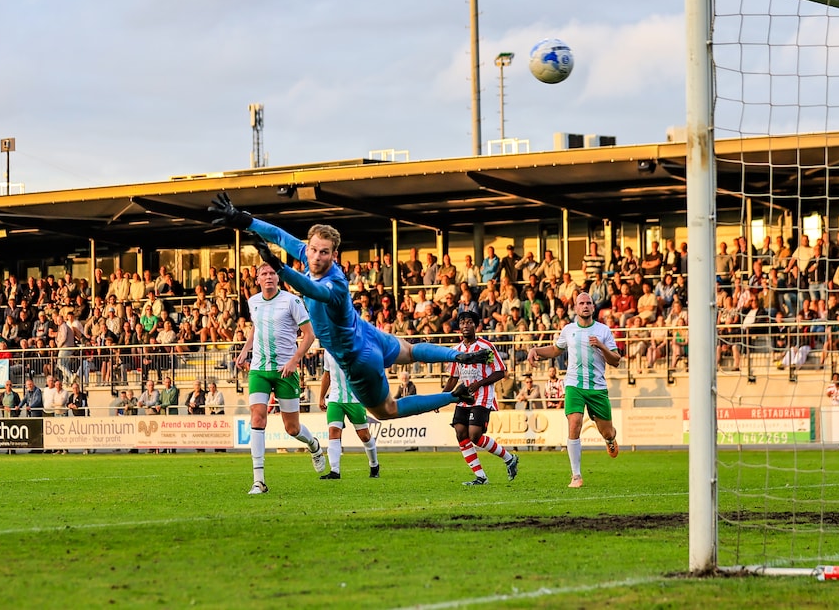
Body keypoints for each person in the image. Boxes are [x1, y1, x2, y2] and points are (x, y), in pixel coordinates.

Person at [209, 193, 491, 424]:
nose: (317, 256)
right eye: (314, 250)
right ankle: (460, 356)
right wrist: (245, 220)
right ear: (308, 248)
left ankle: (455, 395)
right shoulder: (309, 259)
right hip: (369, 333)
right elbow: (280, 236)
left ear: (334, 254)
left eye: (324, 252)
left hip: (358, 359)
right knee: (410, 350)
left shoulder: (337, 283)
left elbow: (313, 291)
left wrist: (282, 269)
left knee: (385, 411)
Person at [235, 260, 323, 495]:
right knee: (257, 417)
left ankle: (313, 445)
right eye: (264, 273)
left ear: (278, 277)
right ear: (257, 280)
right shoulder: (253, 302)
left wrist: (294, 361)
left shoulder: (292, 301)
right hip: (259, 369)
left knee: (292, 429)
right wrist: (245, 350)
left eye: (272, 273)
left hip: (286, 370)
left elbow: (309, 334)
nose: (269, 276)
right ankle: (259, 481)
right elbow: (256, 327)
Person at [527, 292, 621, 488]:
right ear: (576, 308)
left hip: (597, 388)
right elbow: (555, 350)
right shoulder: (568, 330)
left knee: (606, 431)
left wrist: (601, 346)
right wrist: (535, 350)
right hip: (573, 385)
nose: (585, 306)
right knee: (574, 423)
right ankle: (576, 476)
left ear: (593, 308)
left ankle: (611, 438)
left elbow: (616, 360)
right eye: (581, 303)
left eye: (588, 303)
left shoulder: (603, 330)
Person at [442, 311, 517, 485]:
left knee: (474, 435)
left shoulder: (486, 347)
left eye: (469, 322)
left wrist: (479, 383)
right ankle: (481, 477)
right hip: (463, 396)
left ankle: (509, 458)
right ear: (459, 327)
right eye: (462, 322)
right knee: (461, 433)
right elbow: (453, 377)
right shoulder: (456, 351)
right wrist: (443, 397)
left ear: (476, 326)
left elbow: (500, 371)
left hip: (482, 395)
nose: (465, 325)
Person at [317, 351, 380, 480]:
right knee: (333, 431)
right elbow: (327, 375)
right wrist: (321, 397)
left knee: (364, 435)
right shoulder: (328, 350)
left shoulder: (354, 347)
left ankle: (374, 465)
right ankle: (335, 471)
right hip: (335, 399)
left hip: (355, 400)